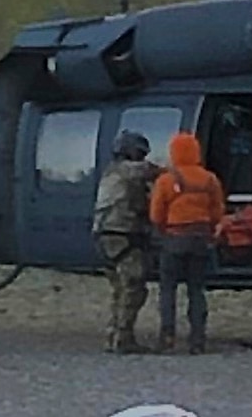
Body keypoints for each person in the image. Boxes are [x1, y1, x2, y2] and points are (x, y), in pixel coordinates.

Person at [147, 133, 225, 354]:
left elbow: (156, 213)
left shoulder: (166, 180)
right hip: (200, 239)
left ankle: (167, 336)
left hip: (174, 239)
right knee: (196, 290)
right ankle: (198, 340)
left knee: (168, 289)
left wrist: (163, 234)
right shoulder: (210, 179)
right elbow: (217, 211)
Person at [92, 130, 162, 353]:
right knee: (134, 287)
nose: (142, 157)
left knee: (120, 289)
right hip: (121, 234)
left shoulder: (113, 172)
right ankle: (123, 338)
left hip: (108, 236)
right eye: (140, 153)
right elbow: (155, 171)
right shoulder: (128, 170)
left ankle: (114, 335)